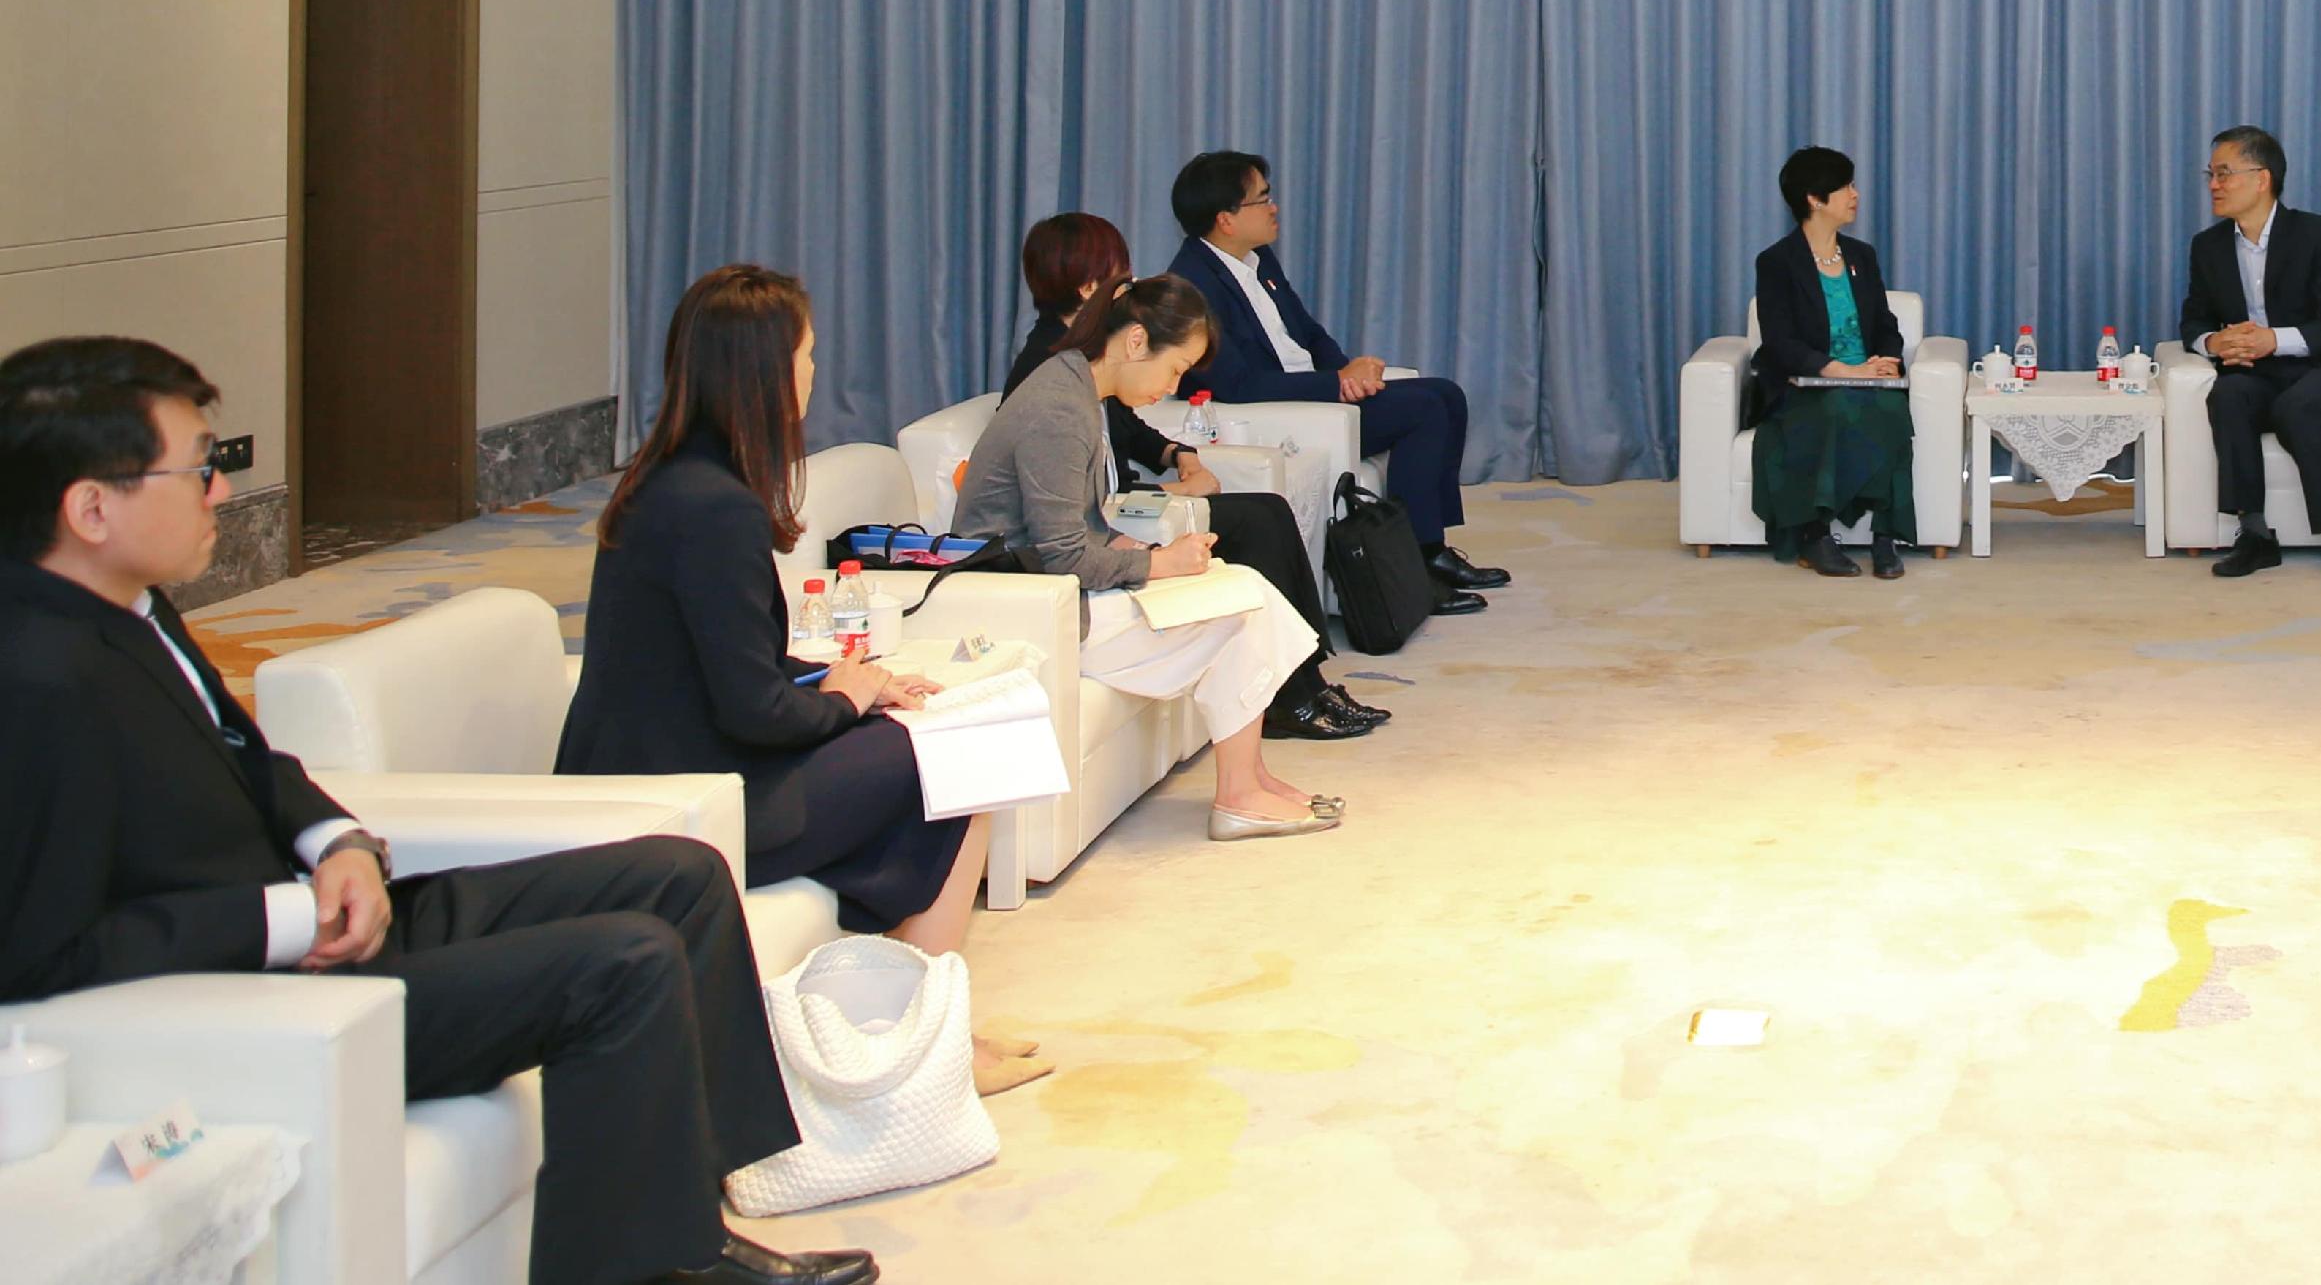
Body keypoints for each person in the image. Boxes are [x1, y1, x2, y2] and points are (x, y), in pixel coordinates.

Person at [0, 335, 877, 1285]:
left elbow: (248, 756)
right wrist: (293, 913)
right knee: (622, 962)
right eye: (201, 466)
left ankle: (695, 1225)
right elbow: (38, 956)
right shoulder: (36, 678)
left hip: (335, 919)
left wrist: (334, 837)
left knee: (679, 874)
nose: (220, 491)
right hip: (278, 990)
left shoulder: (137, 608)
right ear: (91, 507)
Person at [562, 265, 1040, 1094]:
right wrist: (846, 697)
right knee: (968, 752)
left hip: (675, 767)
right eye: (809, 353)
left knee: (924, 742)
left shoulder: (672, 480)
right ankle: (932, 1048)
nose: (815, 371)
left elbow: (726, 661)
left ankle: (914, 1028)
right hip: (696, 799)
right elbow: (752, 708)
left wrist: (846, 679)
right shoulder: (716, 508)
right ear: (765, 370)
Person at [955, 276, 1341, 842]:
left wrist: (1132, 549)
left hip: (1052, 589)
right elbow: (1062, 555)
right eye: (1176, 368)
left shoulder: (1074, 388)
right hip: (1031, 609)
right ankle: (1239, 796)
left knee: (1247, 588)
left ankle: (1251, 777)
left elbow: (1070, 530)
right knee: (1243, 610)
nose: (1172, 385)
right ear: (1136, 342)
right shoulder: (1058, 408)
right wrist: (1161, 565)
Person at [1013, 212, 1384, 741]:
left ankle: (1304, 680)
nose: (1130, 286)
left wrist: (1174, 452)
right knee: (1257, 524)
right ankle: (1292, 695)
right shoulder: (1054, 371)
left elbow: (1124, 427)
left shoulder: (1086, 353)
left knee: (1265, 513)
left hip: (1110, 504)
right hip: (1098, 520)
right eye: (1122, 277)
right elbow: (1064, 525)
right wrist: (1162, 516)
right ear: (1089, 285)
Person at [1165, 150, 1505, 605]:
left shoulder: (1257, 258)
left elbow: (1307, 331)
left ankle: (1433, 548)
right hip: (1277, 412)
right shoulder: (1191, 285)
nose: (1274, 207)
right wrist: (1334, 385)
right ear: (1226, 219)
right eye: (1262, 199)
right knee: (1423, 411)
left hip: (1315, 394)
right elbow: (1237, 386)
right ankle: (1415, 565)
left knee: (1447, 396)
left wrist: (1349, 374)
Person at [2184, 126, 2321, 582]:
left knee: (2299, 407)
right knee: (2228, 397)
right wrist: (2212, 343)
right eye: (2211, 174)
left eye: (2224, 173)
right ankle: (2254, 536)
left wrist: (2274, 339)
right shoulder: (2208, 247)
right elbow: (2193, 321)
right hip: (2256, 375)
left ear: (2262, 178)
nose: (2214, 184)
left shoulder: (2317, 234)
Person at [1747, 145, 1918, 579]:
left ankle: (1885, 537)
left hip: (1867, 380)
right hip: (1806, 385)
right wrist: (1841, 371)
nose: (1855, 195)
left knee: (1891, 409)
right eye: (1845, 187)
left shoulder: (1862, 256)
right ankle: (1814, 535)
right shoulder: (1777, 263)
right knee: (1839, 406)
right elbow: (1780, 343)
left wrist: (1888, 359)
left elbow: (1885, 323)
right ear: (1814, 198)